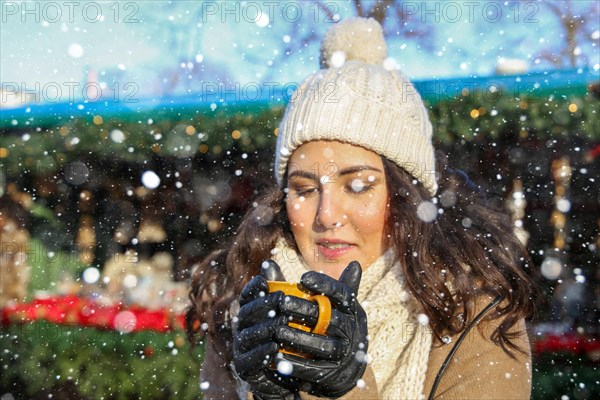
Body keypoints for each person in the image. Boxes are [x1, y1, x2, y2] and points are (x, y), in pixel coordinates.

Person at [187, 17, 536, 399]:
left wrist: (344, 385)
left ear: (406, 198)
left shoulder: (479, 316)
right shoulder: (244, 308)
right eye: (304, 189)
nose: (327, 215)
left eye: (357, 186)